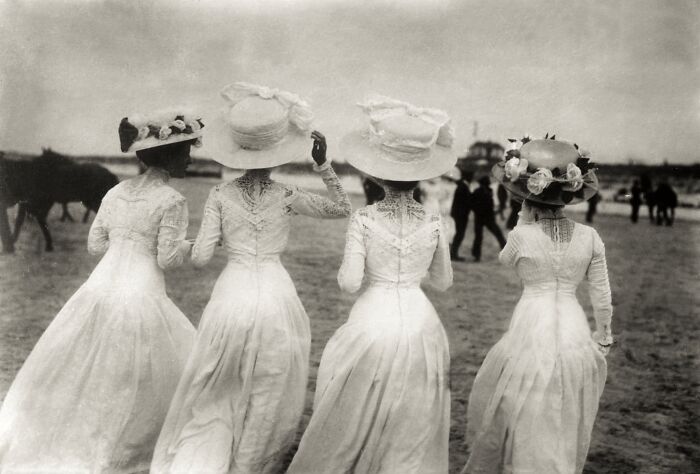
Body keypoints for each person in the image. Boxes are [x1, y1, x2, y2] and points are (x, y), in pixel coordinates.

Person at [151, 83, 351, 474]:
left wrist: (226, 238)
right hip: (276, 293)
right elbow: (342, 206)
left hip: (233, 291)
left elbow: (202, 256)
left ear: (237, 150)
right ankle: (250, 461)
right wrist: (323, 164)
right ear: (277, 151)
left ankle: (206, 454)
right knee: (269, 383)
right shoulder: (288, 193)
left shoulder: (220, 195)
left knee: (218, 379)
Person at [0, 110, 201, 471]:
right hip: (141, 289)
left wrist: (126, 240)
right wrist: (193, 245)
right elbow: (169, 259)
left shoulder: (117, 191)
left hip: (102, 284)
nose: (190, 157)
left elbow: (95, 245)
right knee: (140, 368)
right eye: (185, 151)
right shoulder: (172, 200)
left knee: (86, 359)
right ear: (168, 156)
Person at [287, 95, 454, 473]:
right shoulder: (432, 221)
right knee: (412, 413)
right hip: (420, 319)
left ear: (377, 174)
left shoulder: (364, 218)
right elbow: (443, 282)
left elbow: (349, 283)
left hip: (375, 313)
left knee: (352, 394)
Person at [462, 137, 613, 474]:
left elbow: (505, 260)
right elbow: (601, 291)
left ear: (527, 196)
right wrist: (604, 332)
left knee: (525, 395)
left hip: (533, 318)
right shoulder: (589, 236)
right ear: (568, 195)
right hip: (571, 319)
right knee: (563, 399)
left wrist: (523, 220)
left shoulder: (522, 235)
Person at [471, 175, 506, 262]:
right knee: (498, 234)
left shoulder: (479, 191)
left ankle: (476, 255)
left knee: (479, 237)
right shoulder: (489, 191)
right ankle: (506, 250)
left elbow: (473, 204)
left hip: (481, 217)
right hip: (487, 217)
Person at [450, 169, 473, 261]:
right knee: (459, 234)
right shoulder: (463, 187)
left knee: (459, 234)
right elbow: (465, 202)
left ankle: (454, 253)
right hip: (461, 214)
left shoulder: (461, 186)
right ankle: (454, 254)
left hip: (459, 214)